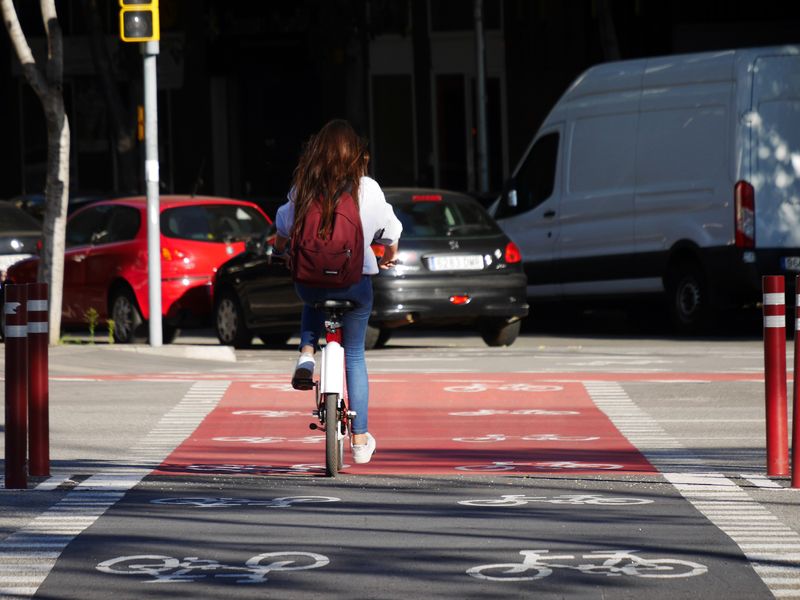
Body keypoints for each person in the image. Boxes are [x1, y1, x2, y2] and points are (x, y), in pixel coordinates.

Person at [274, 119, 402, 465]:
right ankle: (360, 440)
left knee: (312, 295)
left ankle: (305, 353)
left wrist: (280, 249)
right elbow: (391, 232)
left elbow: (282, 225)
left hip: (311, 281)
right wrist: (388, 257)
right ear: (357, 155)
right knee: (355, 354)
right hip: (355, 283)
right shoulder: (369, 189)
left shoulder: (304, 186)